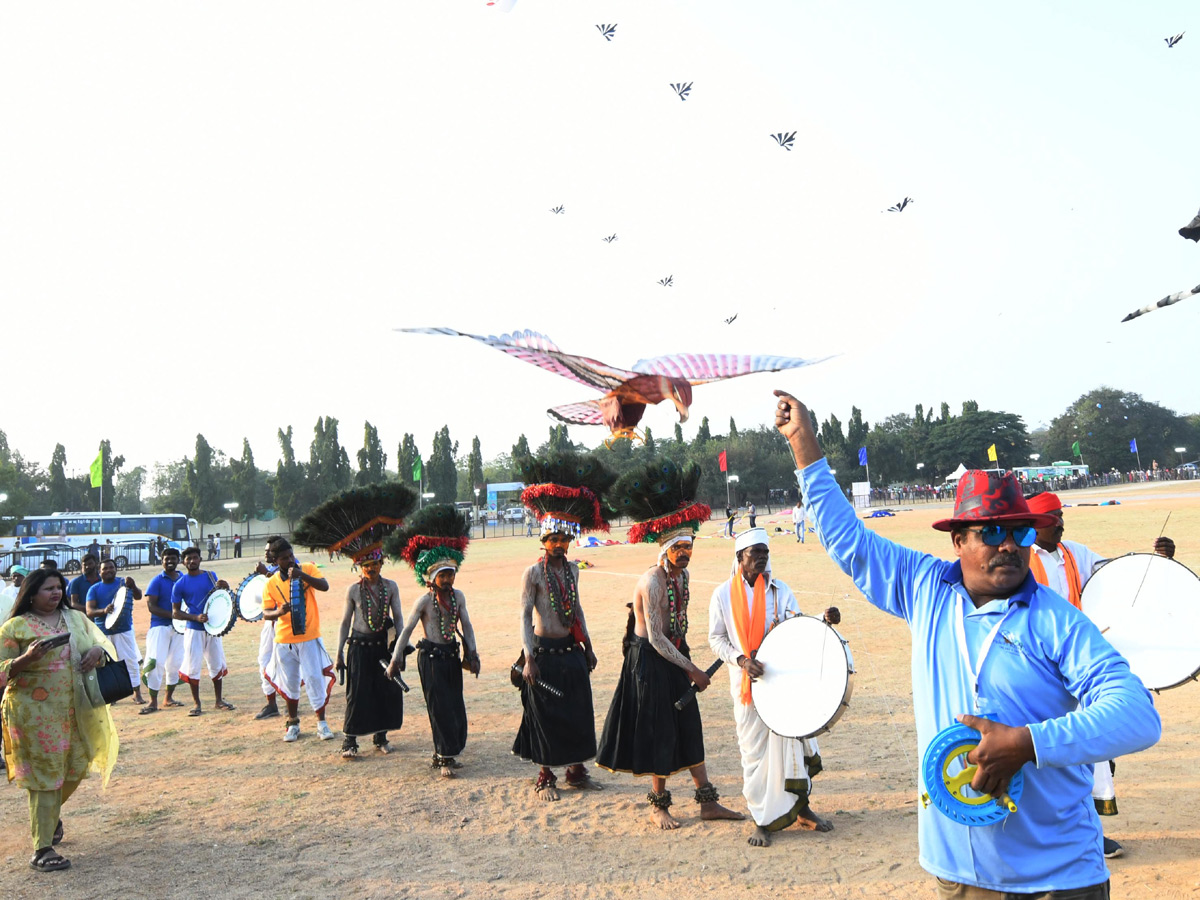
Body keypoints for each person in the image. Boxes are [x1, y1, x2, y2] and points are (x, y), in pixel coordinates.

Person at [774, 389, 1161, 896]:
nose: (1008, 545)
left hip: (1056, 877)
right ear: (959, 541)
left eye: (1019, 534)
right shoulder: (925, 588)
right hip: (959, 872)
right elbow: (849, 540)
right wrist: (804, 444)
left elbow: (1137, 716)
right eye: (992, 531)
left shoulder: (1058, 622)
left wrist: (1027, 744)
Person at [1024, 490, 1175, 859]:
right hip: (1036, 669)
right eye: (1053, 517)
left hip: (1079, 666)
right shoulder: (1019, 559)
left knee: (1092, 749)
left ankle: (1090, 832)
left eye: (1060, 515)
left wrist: (1159, 559)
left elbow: (1121, 575)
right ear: (1034, 523)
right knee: (1047, 753)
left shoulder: (1075, 553)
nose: (1061, 522)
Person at [597, 458, 742, 828]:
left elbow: (678, 626)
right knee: (658, 729)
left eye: (688, 546)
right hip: (650, 660)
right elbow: (657, 636)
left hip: (677, 657)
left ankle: (707, 801)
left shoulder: (684, 575)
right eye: (678, 547)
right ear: (665, 549)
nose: (685, 552)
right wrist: (692, 668)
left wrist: (688, 663)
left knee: (689, 725)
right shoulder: (653, 581)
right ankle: (659, 804)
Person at [709, 527, 837, 846]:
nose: (763, 559)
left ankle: (802, 810)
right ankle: (762, 820)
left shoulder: (780, 591)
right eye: (756, 554)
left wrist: (823, 618)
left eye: (766, 553)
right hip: (747, 689)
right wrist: (741, 660)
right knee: (754, 756)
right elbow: (716, 639)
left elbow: (798, 625)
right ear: (740, 558)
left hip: (784, 685)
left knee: (794, 744)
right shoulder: (722, 595)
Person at [0, 568, 119, 872]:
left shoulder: (75, 618)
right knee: (45, 774)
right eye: (47, 589)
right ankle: (42, 849)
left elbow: (100, 644)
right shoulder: (15, 627)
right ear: (30, 593)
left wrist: (96, 652)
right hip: (32, 714)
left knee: (77, 765)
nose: (55, 593)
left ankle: (48, 817)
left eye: (58, 588)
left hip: (73, 710)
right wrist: (26, 658)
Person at [291, 481, 419, 758]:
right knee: (357, 695)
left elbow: (399, 619)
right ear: (360, 568)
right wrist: (339, 654)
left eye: (376, 566)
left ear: (382, 564)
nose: (372, 571)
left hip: (383, 648)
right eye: (367, 567)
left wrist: (398, 649)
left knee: (385, 692)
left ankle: (380, 737)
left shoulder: (391, 587)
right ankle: (350, 740)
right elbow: (344, 624)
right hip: (359, 648)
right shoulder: (352, 590)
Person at [511, 451, 612, 800]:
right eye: (553, 540)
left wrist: (590, 647)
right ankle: (545, 775)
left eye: (564, 540)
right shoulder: (533, 573)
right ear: (543, 540)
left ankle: (576, 769)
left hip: (571, 650)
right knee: (546, 714)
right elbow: (525, 615)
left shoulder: (572, 570)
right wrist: (529, 657)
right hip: (544, 653)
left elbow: (578, 608)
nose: (558, 545)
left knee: (578, 711)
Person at [388, 504, 479, 775]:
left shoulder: (458, 596)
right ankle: (442, 757)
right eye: (443, 575)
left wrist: (472, 653)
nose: (449, 579)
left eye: (451, 573)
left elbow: (468, 626)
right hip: (430, 659)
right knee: (438, 708)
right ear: (431, 578)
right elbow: (406, 630)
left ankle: (451, 751)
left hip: (451, 656)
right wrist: (395, 660)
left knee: (455, 706)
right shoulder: (424, 601)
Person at [262, 540, 336, 742]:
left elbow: (325, 586)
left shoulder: (308, 569)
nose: (289, 560)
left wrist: (301, 575)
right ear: (276, 561)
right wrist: (278, 611)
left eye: (291, 555)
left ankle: (322, 723)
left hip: (309, 637)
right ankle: (293, 723)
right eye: (284, 558)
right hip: (284, 640)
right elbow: (266, 612)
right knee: (290, 683)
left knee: (314, 678)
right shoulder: (271, 583)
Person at [171, 546, 235, 716]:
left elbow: (219, 598)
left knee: (216, 663)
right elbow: (175, 613)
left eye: (195, 557)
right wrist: (194, 617)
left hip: (213, 628)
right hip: (194, 630)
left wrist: (225, 587)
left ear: (200, 559)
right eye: (188, 558)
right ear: (183, 562)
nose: (192, 561)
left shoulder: (210, 576)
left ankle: (219, 700)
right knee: (193, 666)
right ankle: (196, 704)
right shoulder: (180, 584)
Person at [84, 558, 146, 705]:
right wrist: (103, 610)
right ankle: (111, 695)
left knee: (130, 661)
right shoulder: (94, 589)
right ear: (99, 572)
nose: (108, 570)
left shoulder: (124, 583)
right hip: (102, 632)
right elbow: (89, 611)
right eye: (105, 568)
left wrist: (134, 586)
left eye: (111, 567)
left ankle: (136, 693)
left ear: (116, 569)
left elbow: (138, 596)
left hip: (124, 629)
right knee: (105, 664)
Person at [140, 548, 185, 714]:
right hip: (160, 627)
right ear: (162, 561)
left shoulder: (183, 579)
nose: (170, 561)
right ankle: (153, 702)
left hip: (180, 628)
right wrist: (174, 616)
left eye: (173, 558)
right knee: (155, 663)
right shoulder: (157, 581)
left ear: (179, 560)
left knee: (175, 662)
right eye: (167, 559)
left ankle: (168, 698)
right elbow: (151, 606)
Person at [254, 538, 284, 720]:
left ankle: (292, 700)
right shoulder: (271, 571)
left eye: (268, 551)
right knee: (264, 660)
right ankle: (271, 704)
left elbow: (287, 585)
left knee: (293, 664)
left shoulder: (291, 566)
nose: (265, 554)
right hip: (270, 623)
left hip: (287, 624)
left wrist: (266, 574)